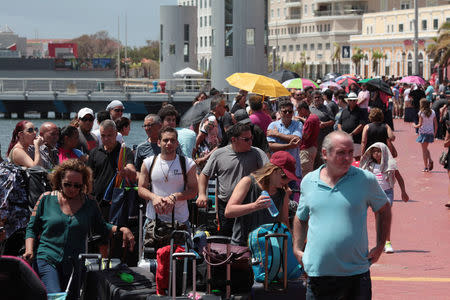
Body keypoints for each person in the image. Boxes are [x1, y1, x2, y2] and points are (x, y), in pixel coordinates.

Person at [293, 131, 391, 299]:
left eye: (350, 152)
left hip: (356, 275)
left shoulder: (365, 180)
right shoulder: (309, 181)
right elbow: (301, 218)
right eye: (341, 153)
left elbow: (383, 209)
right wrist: (297, 248)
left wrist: (381, 244)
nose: (348, 158)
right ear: (325, 154)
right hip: (318, 274)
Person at [24, 159, 135, 298]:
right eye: (67, 184)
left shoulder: (90, 203)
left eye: (77, 186)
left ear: (83, 185)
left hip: (75, 264)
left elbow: (101, 227)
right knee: (55, 296)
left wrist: (120, 229)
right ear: (59, 181)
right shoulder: (46, 199)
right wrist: (29, 250)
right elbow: (31, 228)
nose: (72, 189)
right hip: (47, 258)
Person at [197, 123, 269, 237]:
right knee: (226, 241)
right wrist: (201, 194)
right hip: (225, 207)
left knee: (249, 240)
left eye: (251, 138)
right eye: (246, 139)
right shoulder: (219, 154)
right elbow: (204, 175)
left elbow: (269, 173)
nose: (250, 142)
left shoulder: (257, 153)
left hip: (249, 206)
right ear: (233, 139)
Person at [225, 151, 297, 245]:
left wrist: (294, 245)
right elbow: (228, 211)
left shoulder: (282, 193)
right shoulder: (248, 182)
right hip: (243, 246)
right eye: (284, 178)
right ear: (274, 171)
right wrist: (255, 206)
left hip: (268, 249)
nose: (287, 182)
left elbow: (284, 222)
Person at [138, 127, 198, 237]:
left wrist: (175, 197)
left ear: (177, 143)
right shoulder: (148, 163)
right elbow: (141, 189)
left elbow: (194, 191)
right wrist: (154, 197)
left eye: (172, 140)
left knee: (180, 254)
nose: (169, 143)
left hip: (180, 220)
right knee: (149, 254)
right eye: (165, 140)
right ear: (159, 143)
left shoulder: (188, 164)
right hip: (153, 220)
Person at [360, 142, 409, 253]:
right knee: (378, 218)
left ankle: (387, 242)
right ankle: (380, 242)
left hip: (387, 193)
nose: (376, 154)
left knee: (385, 218)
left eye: (379, 152)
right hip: (374, 194)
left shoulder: (390, 165)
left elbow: (399, 178)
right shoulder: (369, 165)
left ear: (384, 153)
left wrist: (403, 192)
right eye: (374, 152)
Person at [87, 120, 136, 219]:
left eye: (109, 135)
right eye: (103, 135)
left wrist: (125, 171)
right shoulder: (94, 152)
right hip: (97, 202)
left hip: (118, 201)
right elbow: (89, 177)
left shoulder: (126, 151)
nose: (106, 139)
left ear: (116, 134)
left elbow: (132, 169)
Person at [267, 99, 302, 201]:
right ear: (279, 113)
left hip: (293, 169)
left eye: (290, 111)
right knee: (276, 198)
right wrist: (288, 145)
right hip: (277, 170)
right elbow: (270, 146)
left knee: (290, 199)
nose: (287, 113)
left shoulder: (298, 124)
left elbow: (296, 140)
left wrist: (277, 135)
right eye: (284, 111)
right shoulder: (273, 125)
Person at [338, 92, 367, 160]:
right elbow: (339, 123)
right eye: (350, 100)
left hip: (356, 139)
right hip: (344, 139)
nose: (352, 102)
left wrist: (352, 133)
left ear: (356, 101)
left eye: (354, 100)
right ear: (348, 101)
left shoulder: (361, 111)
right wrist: (341, 132)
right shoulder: (344, 111)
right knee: (345, 157)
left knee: (357, 157)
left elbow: (362, 124)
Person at [309, 90, 335, 168]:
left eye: (318, 97)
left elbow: (332, 121)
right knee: (314, 157)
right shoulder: (309, 109)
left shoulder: (327, 108)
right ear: (312, 99)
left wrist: (324, 124)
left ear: (321, 98)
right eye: (315, 97)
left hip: (324, 137)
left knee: (324, 156)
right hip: (313, 138)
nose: (317, 99)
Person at [414, 98, 438, 172]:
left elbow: (420, 124)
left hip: (423, 133)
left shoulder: (421, 113)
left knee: (424, 150)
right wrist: (434, 133)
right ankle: (430, 160)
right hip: (430, 132)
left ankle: (426, 167)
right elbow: (436, 125)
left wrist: (414, 126)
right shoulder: (433, 112)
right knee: (425, 148)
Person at [297, 101, 320, 176]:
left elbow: (305, 136)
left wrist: (298, 131)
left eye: (298, 111)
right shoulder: (314, 117)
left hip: (307, 148)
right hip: (312, 147)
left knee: (305, 173)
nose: (298, 113)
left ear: (303, 109)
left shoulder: (310, 120)